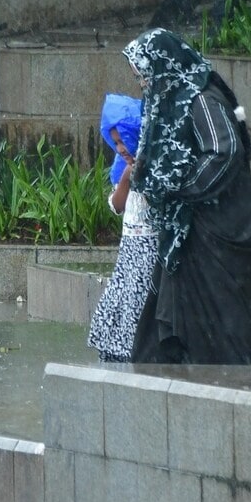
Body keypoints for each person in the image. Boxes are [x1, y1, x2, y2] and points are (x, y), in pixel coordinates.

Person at [122, 28, 251, 365]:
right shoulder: (173, 102)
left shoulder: (201, 98)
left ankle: (229, 393)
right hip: (186, 235)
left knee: (220, 332)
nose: (143, 84)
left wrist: (178, 185)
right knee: (160, 334)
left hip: (217, 235)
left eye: (145, 75)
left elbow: (225, 152)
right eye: (140, 78)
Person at [87, 125, 157, 364]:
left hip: (149, 247)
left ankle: (136, 350)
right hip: (129, 247)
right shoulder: (124, 168)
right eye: (115, 143)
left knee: (138, 301)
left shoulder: (156, 166)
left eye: (123, 141)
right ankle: (115, 349)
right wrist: (127, 174)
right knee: (120, 299)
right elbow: (118, 205)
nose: (120, 148)